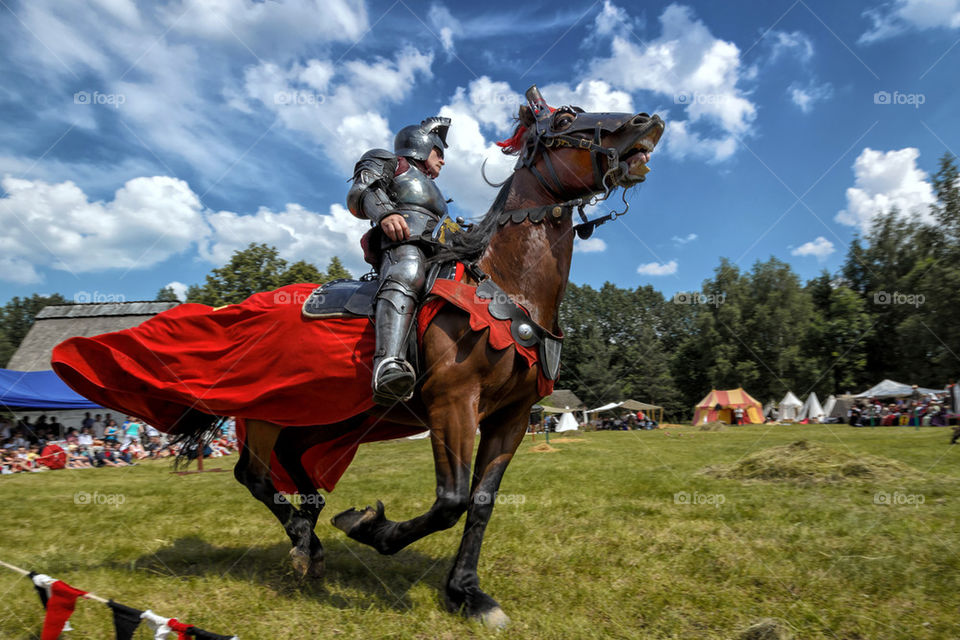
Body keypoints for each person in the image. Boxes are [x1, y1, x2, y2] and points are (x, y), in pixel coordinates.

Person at [346, 116, 451, 404]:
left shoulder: (438, 192)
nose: (443, 160)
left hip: (439, 253)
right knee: (408, 270)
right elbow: (361, 190)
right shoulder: (390, 162)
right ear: (421, 145)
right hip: (402, 246)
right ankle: (388, 365)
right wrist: (385, 213)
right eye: (438, 152)